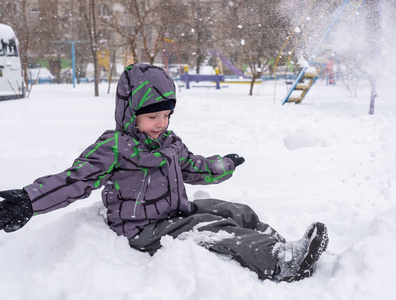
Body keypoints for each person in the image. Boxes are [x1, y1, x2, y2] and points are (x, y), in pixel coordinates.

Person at [0, 63, 328, 282]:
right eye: (152, 117)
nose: (160, 124)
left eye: (166, 116)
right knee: (214, 229)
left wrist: (224, 164)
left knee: (233, 210)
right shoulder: (114, 147)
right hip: (142, 228)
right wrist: (29, 201)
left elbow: (194, 167)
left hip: (174, 212)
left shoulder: (169, 143)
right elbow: (74, 180)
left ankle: (280, 243)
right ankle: (282, 262)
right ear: (130, 114)